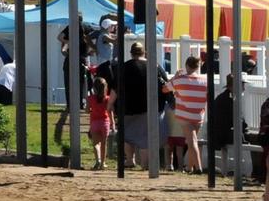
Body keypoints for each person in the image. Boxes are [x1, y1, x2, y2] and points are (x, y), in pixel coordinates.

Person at [120, 41, 167, 169]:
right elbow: (166, 85)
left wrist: (112, 104)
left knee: (128, 135)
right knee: (145, 138)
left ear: (131, 53)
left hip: (130, 107)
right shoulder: (154, 66)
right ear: (144, 52)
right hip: (152, 106)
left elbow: (115, 88)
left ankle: (130, 160)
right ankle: (146, 164)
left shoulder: (124, 67)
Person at [168, 55, 206, 173]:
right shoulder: (204, 81)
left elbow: (165, 88)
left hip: (185, 115)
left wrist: (175, 77)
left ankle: (198, 167)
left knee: (191, 141)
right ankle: (190, 167)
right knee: (192, 141)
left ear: (186, 65)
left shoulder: (180, 80)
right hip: (199, 115)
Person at [87, 76, 115, 170]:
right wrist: (113, 123)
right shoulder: (107, 99)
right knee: (104, 143)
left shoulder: (90, 98)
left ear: (94, 88)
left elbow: (87, 110)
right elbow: (110, 111)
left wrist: (92, 110)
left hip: (94, 122)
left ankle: (97, 160)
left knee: (95, 143)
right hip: (105, 122)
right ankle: (103, 163)